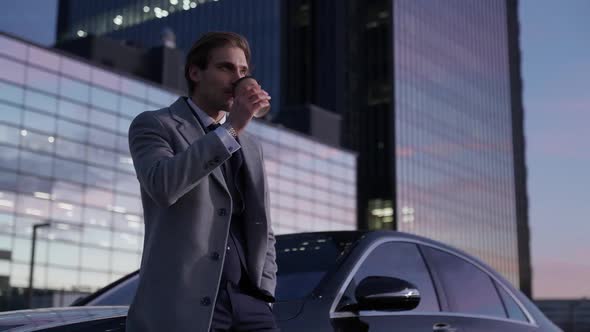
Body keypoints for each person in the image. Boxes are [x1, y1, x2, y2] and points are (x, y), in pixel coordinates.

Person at [126, 31, 278, 332]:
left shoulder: (251, 145)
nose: (237, 79)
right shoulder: (155, 124)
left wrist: (265, 291)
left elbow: (264, 225)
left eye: (243, 71)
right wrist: (232, 127)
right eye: (226, 68)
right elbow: (162, 185)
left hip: (250, 303)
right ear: (195, 72)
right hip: (186, 305)